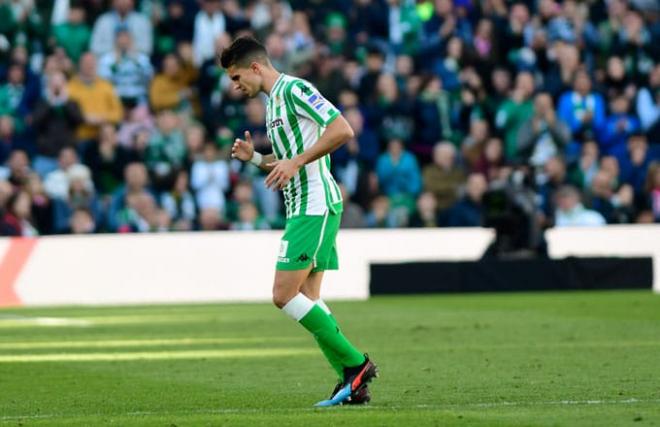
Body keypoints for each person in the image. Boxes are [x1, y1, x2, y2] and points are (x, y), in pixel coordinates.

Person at [221, 36, 377, 407]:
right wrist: (257, 159)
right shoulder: (273, 103)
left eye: (237, 76)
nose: (235, 85)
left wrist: (297, 162)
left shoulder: (294, 89)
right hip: (304, 205)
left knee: (282, 295)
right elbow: (289, 159)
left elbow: (342, 129)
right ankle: (351, 384)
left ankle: (357, 365)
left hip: (315, 204)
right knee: (307, 298)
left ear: (256, 67)